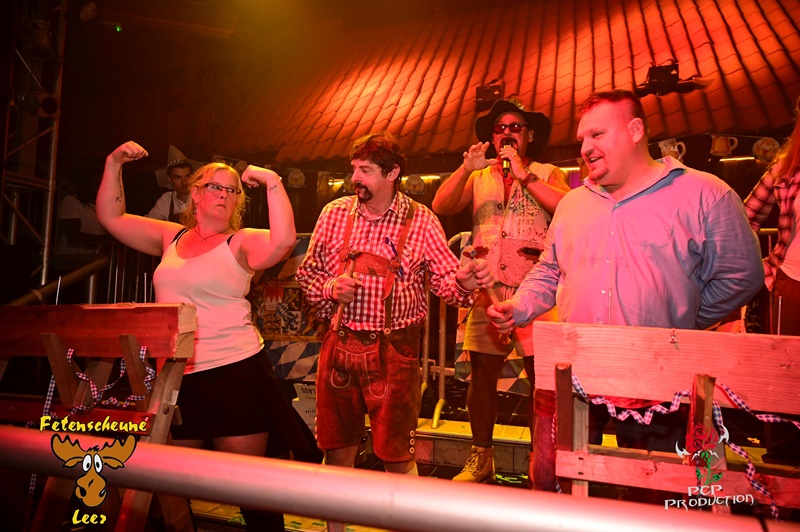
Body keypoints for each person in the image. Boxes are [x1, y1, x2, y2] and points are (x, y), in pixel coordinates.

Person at [487, 90, 765, 491]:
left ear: (635, 130)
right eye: (583, 139)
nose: (585, 148)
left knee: (655, 495)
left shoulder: (705, 194)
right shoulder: (573, 204)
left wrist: (681, 317)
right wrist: (519, 305)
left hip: (661, 380)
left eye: (597, 135)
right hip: (579, 375)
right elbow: (549, 270)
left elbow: (741, 276)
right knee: (562, 489)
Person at [96, 140, 298, 530]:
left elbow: (283, 241)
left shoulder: (240, 241)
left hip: (236, 371)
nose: (223, 194)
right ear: (195, 193)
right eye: (215, 186)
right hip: (178, 376)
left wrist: (272, 181)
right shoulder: (170, 237)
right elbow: (111, 215)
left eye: (232, 190)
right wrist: (113, 162)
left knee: (246, 489)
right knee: (165, 489)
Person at [296, 131, 492, 531]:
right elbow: (307, 273)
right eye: (354, 169)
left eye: (366, 170)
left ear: (392, 173)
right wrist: (331, 288)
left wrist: (466, 281)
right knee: (337, 451)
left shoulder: (421, 220)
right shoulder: (334, 213)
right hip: (339, 345)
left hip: (394, 354)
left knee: (398, 456)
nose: (356, 178)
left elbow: (447, 283)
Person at [431, 99, 569, 483]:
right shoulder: (479, 175)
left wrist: (524, 175)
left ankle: (542, 462)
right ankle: (482, 457)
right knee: (482, 375)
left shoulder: (548, 172)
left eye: (515, 127)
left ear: (529, 135)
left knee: (542, 381)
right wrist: (466, 168)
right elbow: (441, 204)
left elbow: (566, 206)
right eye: (500, 128)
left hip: (538, 289)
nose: (506, 132)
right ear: (493, 138)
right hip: (487, 288)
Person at [744, 94, 800, 467]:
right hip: (789, 286)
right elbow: (743, 218)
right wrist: (757, 271)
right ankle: (781, 471)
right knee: (783, 379)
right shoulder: (786, 166)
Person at [146, 145, 201, 222]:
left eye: (187, 176)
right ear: (169, 179)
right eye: (178, 177)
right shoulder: (166, 200)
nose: (184, 182)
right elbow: (149, 222)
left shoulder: (202, 196)